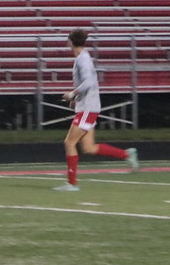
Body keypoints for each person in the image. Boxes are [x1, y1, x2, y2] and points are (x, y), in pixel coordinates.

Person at [54, 28, 139, 191]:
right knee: (88, 147)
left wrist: (72, 94)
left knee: (69, 142)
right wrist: (77, 99)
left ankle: (71, 184)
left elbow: (88, 83)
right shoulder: (83, 58)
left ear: (71, 42)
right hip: (88, 107)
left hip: (88, 108)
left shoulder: (82, 59)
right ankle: (127, 154)